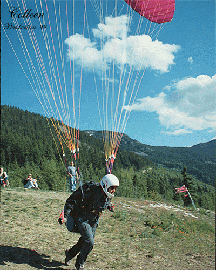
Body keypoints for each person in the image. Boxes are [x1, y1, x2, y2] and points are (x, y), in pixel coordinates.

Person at [60, 174, 119, 270]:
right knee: (89, 242)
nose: (113, 191)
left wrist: (108, 206)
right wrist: (65, 215)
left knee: (84, 241)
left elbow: (104, 201)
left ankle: (69, 254)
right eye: (112, 188)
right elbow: (71, 201)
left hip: (94, 220)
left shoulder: (106, 194)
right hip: (83, 219)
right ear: (105, 185)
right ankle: (80, 263)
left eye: (115, 188)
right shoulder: (89, 191)